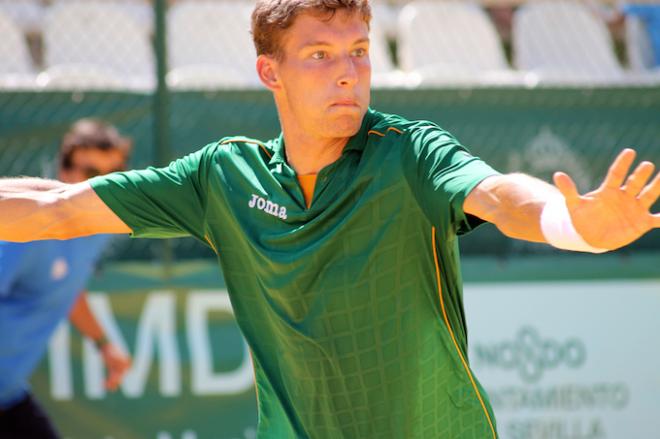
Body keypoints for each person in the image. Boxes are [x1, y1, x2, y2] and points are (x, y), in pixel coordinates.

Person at [1, 1, 659, 437]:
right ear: (271, 71)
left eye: (360, 50)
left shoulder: (409, 152)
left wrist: (572, 225)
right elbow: (56, 209)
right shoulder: (222, 176)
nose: (348, 72)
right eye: (320, 55)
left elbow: (500, 193)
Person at [0, 119, 132, 439]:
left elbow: (67, 288)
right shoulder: (26, 230)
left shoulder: (97, 228)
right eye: (90, 173)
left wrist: (103, 344)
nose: (100, 185)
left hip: (9, 394)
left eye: (110, 176)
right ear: (65, 170)